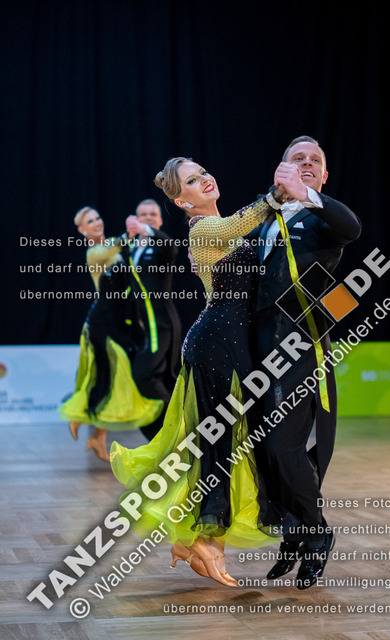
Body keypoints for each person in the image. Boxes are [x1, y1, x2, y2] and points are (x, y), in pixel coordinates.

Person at [110, 157, 289, 587]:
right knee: (220, 445)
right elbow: (239, 224)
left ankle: (194, 540)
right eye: (192, 180)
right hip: (216, 346)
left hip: (230, 345)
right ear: (181, 201)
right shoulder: (204, 229)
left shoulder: (223, 230)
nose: (205, 178)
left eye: (203, 172)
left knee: (228, 443)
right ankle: (206, 543)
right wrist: (276, 196)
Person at [248, 136, 362, 589]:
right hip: (257, 351)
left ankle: (317, 534)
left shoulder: (323, 219)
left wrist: (306, 195)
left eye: (316, 160)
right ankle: (293, 531)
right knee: (264, 452)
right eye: (299, 158)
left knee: (284, 447)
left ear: (324, 176)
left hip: (301, 349)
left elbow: (352, 227)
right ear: (281, 168)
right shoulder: (262, 218)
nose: (308, 163)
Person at [59, 207, 164, 461]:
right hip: (102, 322)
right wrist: (132, 234)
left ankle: (97, 436)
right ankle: (81, 416)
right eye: (90, 221)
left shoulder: (113, 248)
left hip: (118, 320)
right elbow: (114, 248)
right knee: (113, 372)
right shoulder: (95, 252)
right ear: (82, 230)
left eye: (97, 218)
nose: (96, 222)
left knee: (110, 374)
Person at [124, 199, 182, 441]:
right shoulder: (131, 248)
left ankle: (173, 432)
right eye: (142, 214)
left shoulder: (160, 247)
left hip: (162, 324)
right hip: (144, 325)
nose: (147, 217)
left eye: (152, 215)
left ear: (158, 221)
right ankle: (164, 441)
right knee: (160, 380)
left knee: (144, 375)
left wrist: (147, 231)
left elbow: (170, 247)